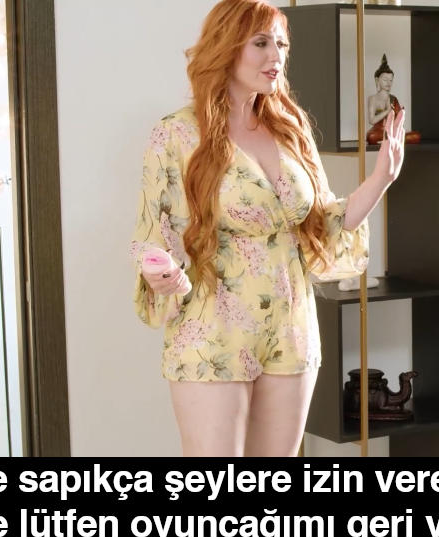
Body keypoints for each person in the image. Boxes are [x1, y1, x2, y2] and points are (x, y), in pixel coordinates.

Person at [130, 0, 406, 457]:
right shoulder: (177, 134)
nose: (275, 55)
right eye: (261, 43)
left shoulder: (290, 127)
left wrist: (382, 178)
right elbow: (154, 233)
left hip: (292, 327)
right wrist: (160, 273)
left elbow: (322, 225)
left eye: (281, 44)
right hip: (212, 327)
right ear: (226, 46)